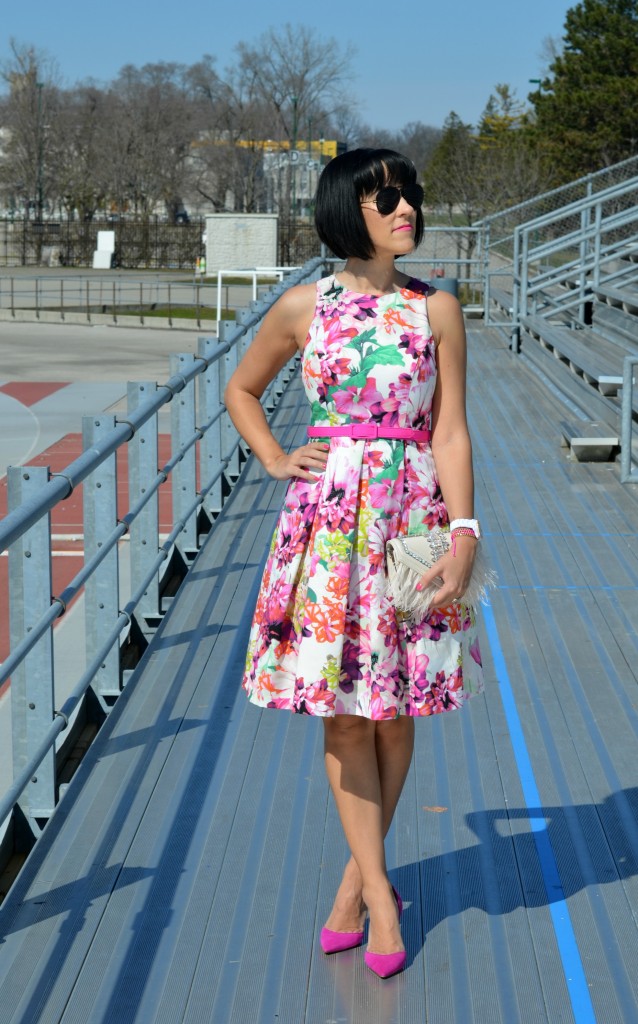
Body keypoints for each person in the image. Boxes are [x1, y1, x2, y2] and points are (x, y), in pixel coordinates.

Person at [224, 148, 484, 979]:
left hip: (412, 517)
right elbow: (242, 389)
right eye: (388, 199)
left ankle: (350, 885)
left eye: (410, 195)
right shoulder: (305, 306)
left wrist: (466, 529)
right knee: (343, 711)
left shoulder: (437, 309)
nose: (406, 207)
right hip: (329, 523)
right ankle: (378, 896)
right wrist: (272, 456)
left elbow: (449, 431)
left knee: (396, 708)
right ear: (350, 210)